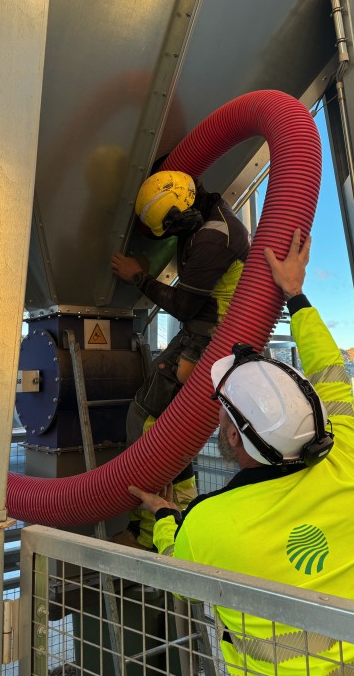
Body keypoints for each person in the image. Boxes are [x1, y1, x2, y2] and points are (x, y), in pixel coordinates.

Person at [129, 229, 354, 676]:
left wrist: (164, 516)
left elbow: (176, 568)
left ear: (233, 438)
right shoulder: (346, 464)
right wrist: (295, 295)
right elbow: (333, 374)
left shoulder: (210, 523)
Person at [110, 170, 250, 550]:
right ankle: (174, 520)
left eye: (170, 227)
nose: (170, 234)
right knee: (172, 431)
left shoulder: (213, 237)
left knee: (146, 418)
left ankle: (149, 531)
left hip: (209, 341)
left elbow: (185, 306)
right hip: (207, 336)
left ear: (182, 214)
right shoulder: (198, 210)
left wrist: (139, 277)